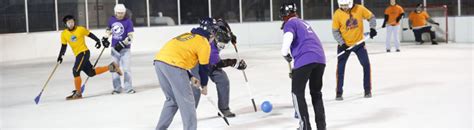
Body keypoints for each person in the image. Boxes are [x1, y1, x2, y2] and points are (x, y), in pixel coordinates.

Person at [153, 17, 228, 130]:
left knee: (172, 100)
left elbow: (180, 56)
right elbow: (204, 68)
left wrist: (191, 76)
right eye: (215, 31)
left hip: (159, 62)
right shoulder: (204, 42)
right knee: (187, 100)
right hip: (173, 64)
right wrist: (204, 85)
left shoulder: (188, 35)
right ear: (211, 32)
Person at [280, 2, 327, 130]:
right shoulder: (303, 23)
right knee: (316, 93)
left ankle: (305, 126)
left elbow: (288, 37)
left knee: (297, 92)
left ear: (284, 15)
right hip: (320, 59)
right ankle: (321, 127)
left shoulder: (290, 23)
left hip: (305, 59)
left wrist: (285, 53)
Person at [190, 18, 245, 118]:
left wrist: (230, 35)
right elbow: (217, 63)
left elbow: (222, 22)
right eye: (221, 45)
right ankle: (189, 113)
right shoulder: (209, 47)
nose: (222, 47)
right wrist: (234, 63)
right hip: (198, 64)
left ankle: (224, 109)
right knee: (196, 88)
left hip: (210, 62)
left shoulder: (215, 32)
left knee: (223, 80)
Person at [58, 15, 122, 100]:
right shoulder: (64, 34)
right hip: (78, 55)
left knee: (75, 70)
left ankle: (78, 93)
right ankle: (112, 66)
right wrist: (60, 56)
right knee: (91, 73)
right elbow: (63, 46)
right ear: (65, 24)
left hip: (84, 52)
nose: (71, 24)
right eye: (69, 22)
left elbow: (90, 34)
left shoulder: (80, 29)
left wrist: (97, 41)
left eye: (72, 22)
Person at [332, 0, 377, 100]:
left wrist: (372, 28)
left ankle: (367, 90)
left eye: (346, 6)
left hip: (359, 43)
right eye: (342, 6)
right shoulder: (337, 14)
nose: (344, 8)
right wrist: (342, 44)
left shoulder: (359, 9)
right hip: (344, 45)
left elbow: (371, 17)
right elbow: (335, 32)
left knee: (366, 65)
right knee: (340, 68)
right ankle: (339, 92)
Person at [103, 4, 136, 94]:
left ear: (124, 12)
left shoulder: (128, 21)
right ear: (115, 12)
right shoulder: (111, 20)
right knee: (113, 69)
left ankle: (128, 88)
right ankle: (117, 88)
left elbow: (130, 36)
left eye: (122, 13)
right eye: (118, 13)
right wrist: (105, 38)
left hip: (125, 50)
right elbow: (109, 30)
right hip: (114, 49)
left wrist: (123, 43)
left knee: (126, 69)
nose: (120, 15)